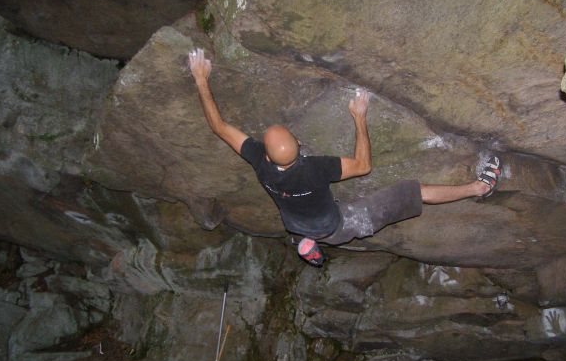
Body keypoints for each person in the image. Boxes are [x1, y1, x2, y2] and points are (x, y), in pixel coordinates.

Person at [188, 48, 501, 266]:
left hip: (297, 224)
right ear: (299, 145)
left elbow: (219, 126)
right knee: (413, 192)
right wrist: (359, 117)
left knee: (303, 223)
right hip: (337, 226)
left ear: (267, 157)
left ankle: (304, 243)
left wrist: (201, 80)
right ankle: (480, 188)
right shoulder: (315, 168)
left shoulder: (259, 163)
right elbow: (363, 165)